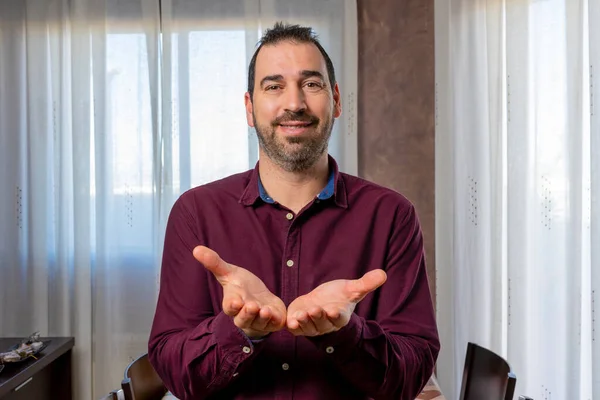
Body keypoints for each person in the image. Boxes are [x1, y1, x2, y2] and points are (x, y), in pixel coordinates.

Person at [148, 22, 439, 400]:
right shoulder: (195, 213)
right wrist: (239, 331)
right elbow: (176, 374)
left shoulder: (392, 215)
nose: (294, 103)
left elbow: (412, 374)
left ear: (335, 100)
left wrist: (345, 332)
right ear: (250, 108)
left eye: (312, 84)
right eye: (273, 86)